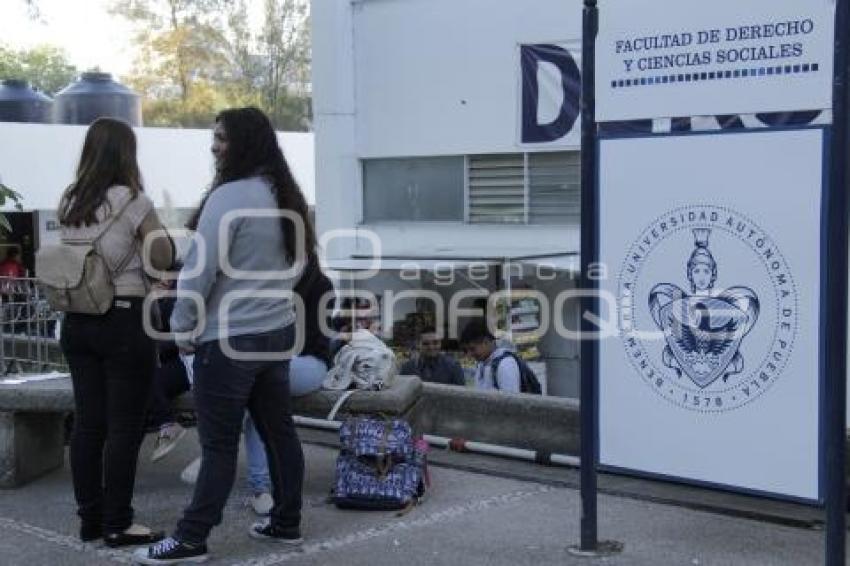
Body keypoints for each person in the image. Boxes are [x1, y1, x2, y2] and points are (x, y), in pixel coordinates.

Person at [136, 107, 314, 564]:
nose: (214, 146)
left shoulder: (228, 197)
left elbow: (198, 273)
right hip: (277, 335)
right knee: (280, 435)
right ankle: (285, 524)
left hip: (229, 341)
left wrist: (179, 329)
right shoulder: (286, 196)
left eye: (221, 138)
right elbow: (298, 267)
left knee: (217, 446)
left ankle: (191, 540)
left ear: (243, 143)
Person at [57, 117, 173, 546]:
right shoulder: (134, 201)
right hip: (124, 319)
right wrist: (157, 234)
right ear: (127, 153)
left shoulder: (71, 199)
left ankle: (90, 519)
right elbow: (161, 258)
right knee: (125, 427)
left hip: (77, 321)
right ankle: (118, 523)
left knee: (88, 425)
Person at [242, 254, 335, 515]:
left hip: (309, 364)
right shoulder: (266, 284)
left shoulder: (320, 286)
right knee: (254, 399)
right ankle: (260, 488)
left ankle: (217, 450)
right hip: (271, 363)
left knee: (253, 381)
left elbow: (312, 338)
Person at [460, 320, 520, 393]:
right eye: (466, 350)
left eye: (472, 349)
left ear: (486, 342)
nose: (469, 355)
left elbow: (511, 402)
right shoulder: (482, 363)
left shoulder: (505, 365)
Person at [400, 327, 465, 386]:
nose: (431, 347)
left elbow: (462, 394)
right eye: (425, 344)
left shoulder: (453, 367)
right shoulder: (408, 368)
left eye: (435, 343)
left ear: (440, 343)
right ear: (418, 344)